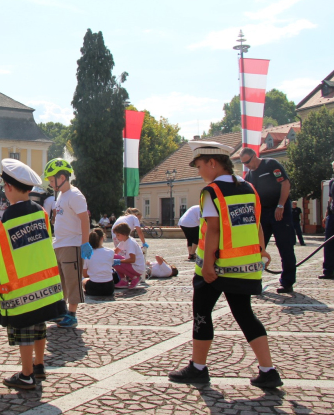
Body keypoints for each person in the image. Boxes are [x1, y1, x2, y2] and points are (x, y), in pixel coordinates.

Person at [169, 141, 282, 389]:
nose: (199, 172)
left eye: (199, 166)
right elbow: (256, 224)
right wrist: (262, 250)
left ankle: (198, 367)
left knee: (202, 312)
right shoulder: (249, 187)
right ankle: (268, 370)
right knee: (245, 314)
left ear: (212, 163)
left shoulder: (212, 191)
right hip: (244, 267)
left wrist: (208, 265)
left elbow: (214, 230)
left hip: (217, 266)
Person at [0, 158, 66, 390]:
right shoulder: (41, 212)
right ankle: (40, 366)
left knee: (24, 328)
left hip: (21, 287)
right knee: (39, 324)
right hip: (45, 283)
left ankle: (26, 375)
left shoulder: (7, 219)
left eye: (4, 186)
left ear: (10, 188)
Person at [240, 148, 297, 294]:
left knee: (285, 246)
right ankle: (254, 280)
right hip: (262, 213)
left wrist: (281, 205)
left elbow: (285, 184)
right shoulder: (249, 175)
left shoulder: (271, 164)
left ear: (254, 156)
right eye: (243, 163)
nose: (247, 166)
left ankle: (287, 282)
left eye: (247, 162)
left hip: (279, 210)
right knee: (257, 248)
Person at [44, 158, 91, 329]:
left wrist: (85, 243)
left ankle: (72, 314)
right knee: (61, 281)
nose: (50, 183)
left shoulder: (75, 195)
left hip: (72, 244)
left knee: (72, 280)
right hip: (60, 244)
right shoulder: (61, 195)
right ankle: (62, 311)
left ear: (62, 177)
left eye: (51, 179)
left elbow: (84, 219)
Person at [82, 228, 116, 297]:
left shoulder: (87, 253)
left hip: (94, 288)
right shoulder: (111, 252)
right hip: (109, 288)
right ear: (102, 238)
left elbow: (85, 274)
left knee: (84, 280)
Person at [112, 223, 146, 289]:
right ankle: (124, 280)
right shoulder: (124, 240)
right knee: (112, 258)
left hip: (137, 267)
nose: (116, 237)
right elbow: (115, 252)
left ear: (124, 234)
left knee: (115, 261)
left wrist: (119, 261)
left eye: (118, 235)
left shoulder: (130, 243)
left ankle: (134, 277)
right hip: (133, 265)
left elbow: (132, 259)